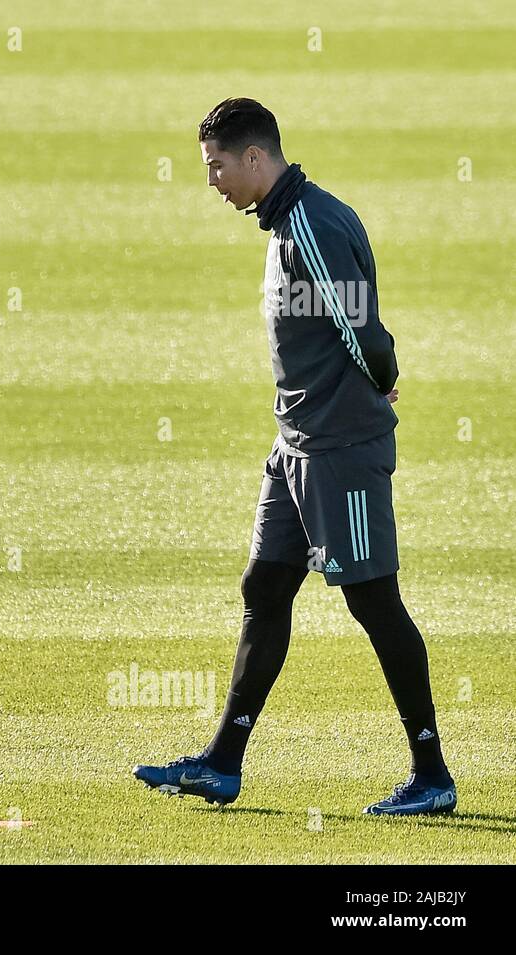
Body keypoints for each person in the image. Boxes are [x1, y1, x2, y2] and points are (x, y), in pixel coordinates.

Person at [132, 98, 457, 816]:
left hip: (340, 452)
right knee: (264, 588)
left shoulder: (309, 225)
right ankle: (222, 762)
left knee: (374, 602)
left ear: (256, 157)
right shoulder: (285, 223)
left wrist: (381, 381)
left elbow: (363, 331)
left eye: (217, 165)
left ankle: (431, 774)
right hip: (297, 448)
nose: (211, 180)